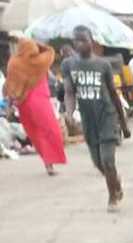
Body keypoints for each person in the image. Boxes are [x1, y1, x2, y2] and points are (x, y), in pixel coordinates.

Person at [63, 25, 130, 208]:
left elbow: (114, 94)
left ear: (91, 41)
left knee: (108, 160)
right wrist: (69, 113)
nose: (79, 44)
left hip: (107, 117)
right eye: (76, 40)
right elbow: (69, 92)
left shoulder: (103, 65)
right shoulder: (69, 65)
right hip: (88, 120)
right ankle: (115, 181)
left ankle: (112, 198)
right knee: (98, 163)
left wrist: (123, 124)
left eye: (83, 39)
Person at [3, 36, 67, 175]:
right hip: (41, 102)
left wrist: (10, 103)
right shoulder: (40, 61)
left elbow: (10, 85)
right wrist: (40, 44)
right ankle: (50, 162)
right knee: (50, 131)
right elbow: (50, 52)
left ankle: (47, 163)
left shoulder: (14, 63)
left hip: (24, 104)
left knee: (36, 134)